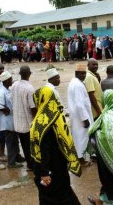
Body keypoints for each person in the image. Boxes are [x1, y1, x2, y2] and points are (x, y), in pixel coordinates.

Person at [31, 68, 82, 204]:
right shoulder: (51, 120)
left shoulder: (41, 120)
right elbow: (44, 149)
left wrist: (43, 172)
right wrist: (45, 173)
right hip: (54, 168)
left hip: (54, 167)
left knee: (54, 195)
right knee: (60, 194)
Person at [0, 71, 22, 169]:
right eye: (10, 79)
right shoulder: (2, 92)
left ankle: (15, 158)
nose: (12, 81)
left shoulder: (6, 90)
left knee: (14, 141)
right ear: (6, 81)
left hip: (11, 121)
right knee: (10, 142)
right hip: (7, 122)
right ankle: (11, 163)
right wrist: (6, 109)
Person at [10, 65, 37, 171]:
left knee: (24, 144)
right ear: (29, 74)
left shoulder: (14, 85)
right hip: (28, 122)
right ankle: (31, 164)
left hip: (17, 121)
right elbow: (33, 107)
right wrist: (36, 119)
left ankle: (29, 163)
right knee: (30, 144)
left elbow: (11, 100)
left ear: (20, 74)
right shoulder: (29, 88)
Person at [67, 64, 94, 167]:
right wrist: (85, 119)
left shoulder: (74, 82)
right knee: (82, 138)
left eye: (84, 73)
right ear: (76, 73)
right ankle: (80, 160)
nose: (83, 75)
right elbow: (79, 104)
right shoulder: (77, 85)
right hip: (80, 117)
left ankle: (78, 157)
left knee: (78, 137)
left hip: (77, 116)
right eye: (81, 73)